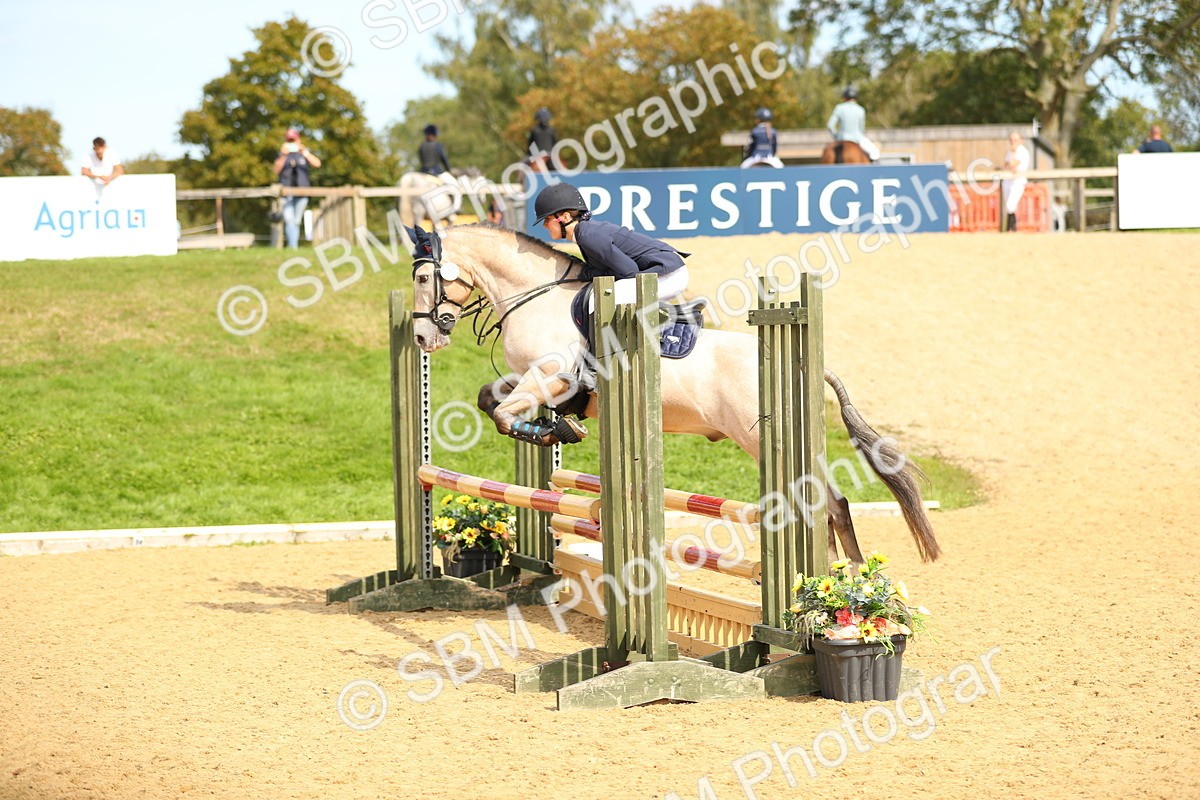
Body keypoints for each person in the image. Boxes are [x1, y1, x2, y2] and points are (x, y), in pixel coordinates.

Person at [533, 182, 690, 306]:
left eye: (547, 219)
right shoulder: (584, 233)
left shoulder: (588, 236)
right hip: (661, 272)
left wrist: (592, 275)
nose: (544, 225)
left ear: (565, 217)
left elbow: (629, 272)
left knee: (599, 299)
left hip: (669, 274)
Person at [272, 127, 322, 249]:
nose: (291, 143)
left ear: (298, 140)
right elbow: (275, 170)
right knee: (289, 220)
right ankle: (292, 247)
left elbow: (317, 164)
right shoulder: (282, 156)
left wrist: (304, 152)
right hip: (286, 193)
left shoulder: (304, 154)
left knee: (296, 221)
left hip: (302, 193)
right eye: (289, 141)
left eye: (293, 140)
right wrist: (283, 155)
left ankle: (292, 247)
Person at [826, 87, 880, 162]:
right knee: (875, 153)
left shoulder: (839, 108)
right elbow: (861, 129)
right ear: (855, 98)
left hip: (841, 138)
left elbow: (830, 126)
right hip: (856, 138)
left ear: (844, 98)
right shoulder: (860, 110)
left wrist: (836, 136)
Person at [1001, 130, 1030, 232]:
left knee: (1011, 204)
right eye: (1011, 139)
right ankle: (1011, 228)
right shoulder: (1010, 151)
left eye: (1015, 140)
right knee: (1008, 206)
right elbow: (1005, 166)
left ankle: (1011, 227)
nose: (1013, 142)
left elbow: (1012, 165)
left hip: (1018, 181)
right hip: (1008, 180)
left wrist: (1010, 161)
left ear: (1020, 140)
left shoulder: (1022, 151)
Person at [527, 108, 559, 172]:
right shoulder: (552, 130)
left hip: (537, 155)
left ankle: (520, 180)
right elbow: (556, 143)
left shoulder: (534, 130)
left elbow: (530, 145)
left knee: (522, 164)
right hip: (550, 155)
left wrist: (529, 154)